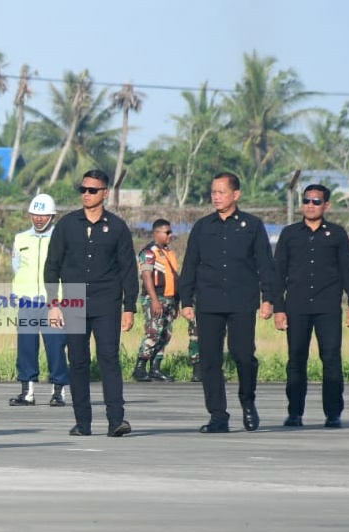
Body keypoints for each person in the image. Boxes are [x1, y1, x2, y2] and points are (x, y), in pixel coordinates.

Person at [179, 172, 276, 434]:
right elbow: (190, 265)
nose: (216, 196)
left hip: (242, 300)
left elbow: (266, 265)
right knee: (209, 359)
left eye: (221, 192)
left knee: (243, 354)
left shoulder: (252, 225)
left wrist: (269, 299)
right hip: (209, 301)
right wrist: (185, 299)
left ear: (236, 194)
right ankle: (218, 416)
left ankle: (248, 400)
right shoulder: (202, 227)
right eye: (213, 192)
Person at [44, 169, 137, 438]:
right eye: (83, 189)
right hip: (72, 300)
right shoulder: (66, 225)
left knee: (109, 358)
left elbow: (128, 270)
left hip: (107, 300)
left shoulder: (117, 227)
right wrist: (53, 303)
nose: (86, 194)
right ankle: (82, 422)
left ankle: (116, 420)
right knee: (79, 361)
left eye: (92, 190)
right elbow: (52, 267)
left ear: (105, 193)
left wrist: (129, 307)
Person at [273, 184, 349, 428]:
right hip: (296, 306)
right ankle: (295, 413)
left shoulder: (338, 234)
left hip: (328, 306)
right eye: (307, 200)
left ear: (326, 205)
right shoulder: (289, 234)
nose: (310, 205)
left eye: (316, 201)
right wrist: (279, 307)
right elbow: (278, 272)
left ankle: (333, 413)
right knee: (296, 359)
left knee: (331, 358)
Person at [9, 193, 69, 406]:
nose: (39, 219)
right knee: (26, 346)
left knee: (55, 346)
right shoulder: (21, 239)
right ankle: (27, 392)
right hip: (27, 301)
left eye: (44, 215)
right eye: (35, 214)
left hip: (53, 303)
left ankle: (59, 391)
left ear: (52, 216)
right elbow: (16, 266)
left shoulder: (61, 238)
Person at [133, 219, 179, 383]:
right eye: (167, 232)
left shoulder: (168, 252)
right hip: (155, 298)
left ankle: (155, 368)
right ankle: (140, 367)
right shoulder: (149, 252)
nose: (170, 235)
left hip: (169, 299)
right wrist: (154, 300)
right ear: (156, 233)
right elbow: (146, 276)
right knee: (153, 332)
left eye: (170, 232)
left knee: (165, 334)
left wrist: (176, 303)